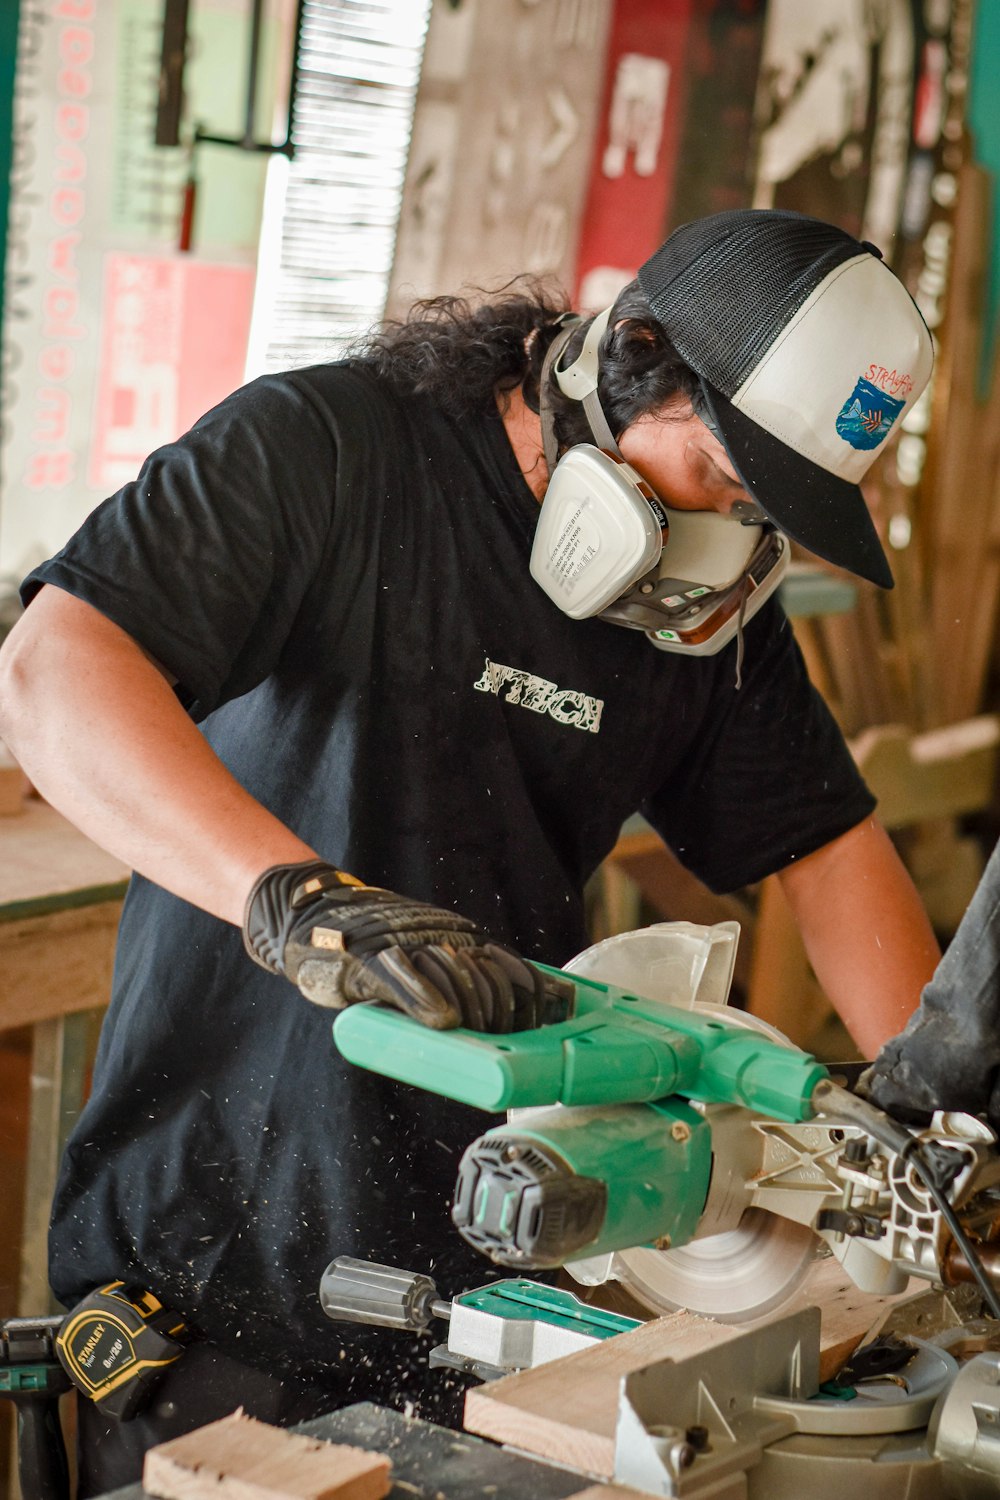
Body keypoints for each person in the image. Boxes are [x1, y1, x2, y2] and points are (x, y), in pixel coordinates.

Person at [0, 208, 940, 1491]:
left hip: (488, 1276)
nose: (733, 543)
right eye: (724, 482)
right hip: (214, 1275)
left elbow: (824, 849)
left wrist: (935, 1129)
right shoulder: (331, 448)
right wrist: (299, 902)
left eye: (767, 515)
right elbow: (53, 672)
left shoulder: (700, 610)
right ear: (636, 355)